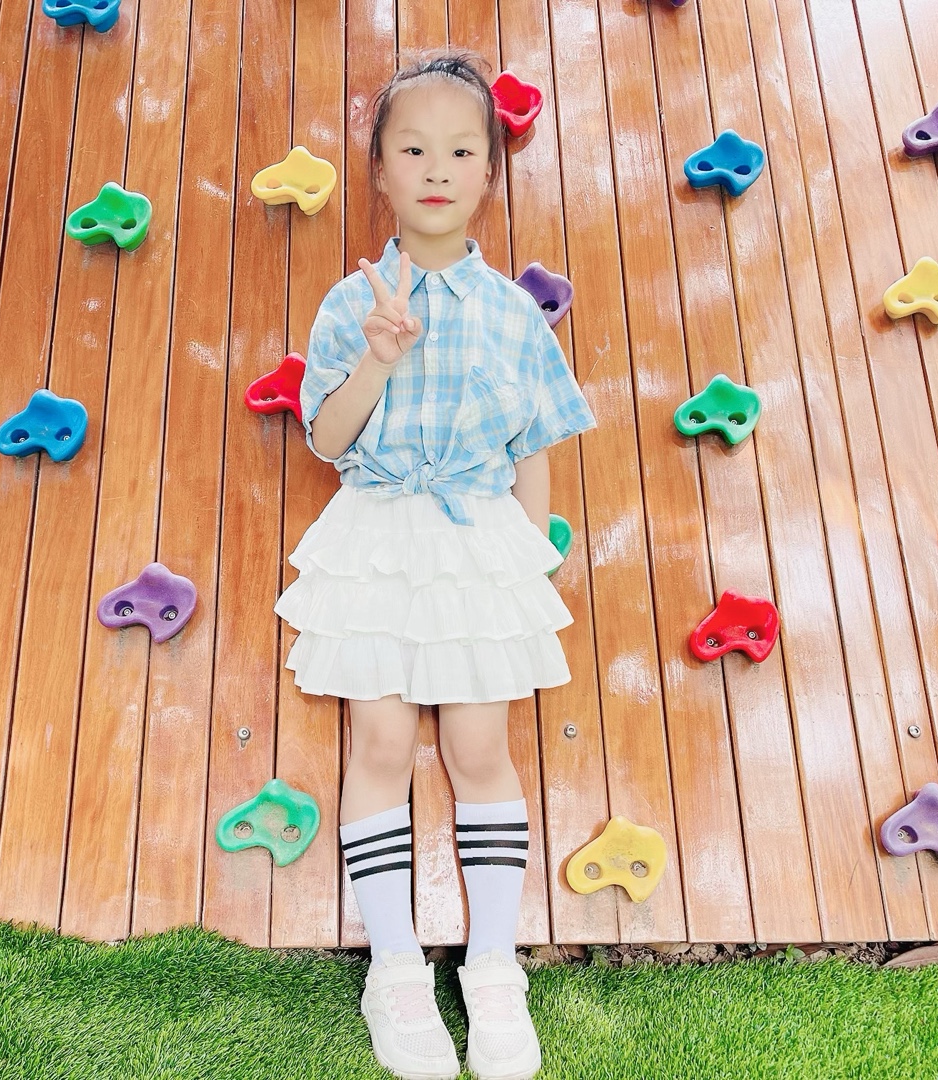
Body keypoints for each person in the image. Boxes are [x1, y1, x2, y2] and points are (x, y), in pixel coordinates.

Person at [274, 49, 595, 1080]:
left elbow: (534, 449)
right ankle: (397, 971)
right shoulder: (349, 301)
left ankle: (494, 966)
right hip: (378, 531)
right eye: (413, 150)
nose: (437, 169)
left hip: (477, 540)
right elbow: (327, 439)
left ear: (490, 171)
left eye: (461, 151)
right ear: (379, 170)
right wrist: (378, 356)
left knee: (478, 744)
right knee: (379, 738)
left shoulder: (513, 311)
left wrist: (527, 572)